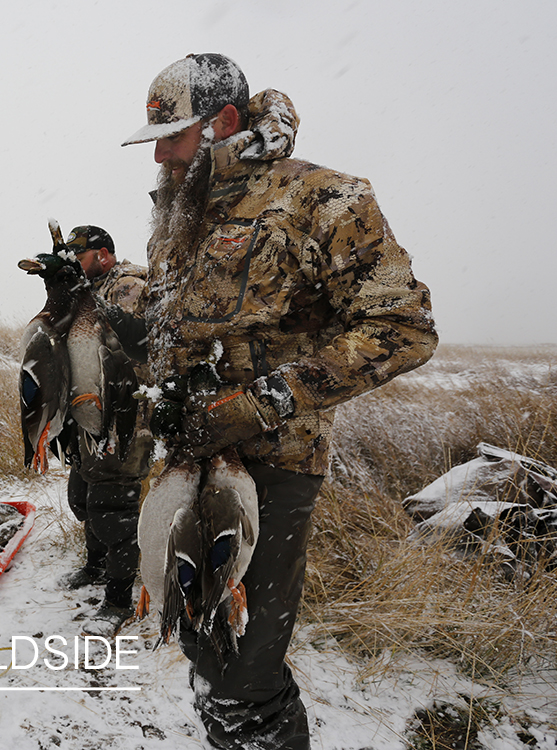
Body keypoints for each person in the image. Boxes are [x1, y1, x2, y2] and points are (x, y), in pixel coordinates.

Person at [120, 54, 437, 749]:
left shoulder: (323, 198)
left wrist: (258, 402)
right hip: (185, 461)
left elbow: (400, 330)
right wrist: (124, 301)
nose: (162, 156)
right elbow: (182, 312)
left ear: (223, 122)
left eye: (173, 136)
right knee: (202, 639)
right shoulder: (185, 205)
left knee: (247, 672)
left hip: (272, 467)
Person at [56, 225, 154, 637]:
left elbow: (130, 341)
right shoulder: (85, 288)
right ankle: (95, 566)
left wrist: (82, 296)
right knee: (83, 496)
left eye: (79, 254)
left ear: (104, 254)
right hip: (87, 411)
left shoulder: (129, 284)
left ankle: (118, 598)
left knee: (114, 507)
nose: (74, 261)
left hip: (123, 415)